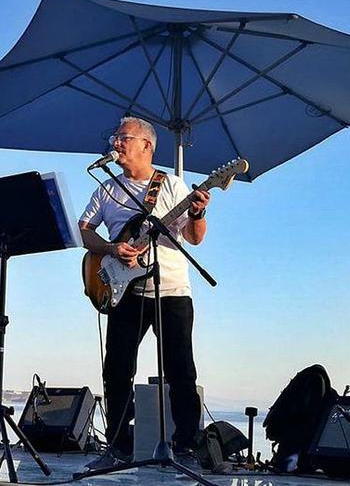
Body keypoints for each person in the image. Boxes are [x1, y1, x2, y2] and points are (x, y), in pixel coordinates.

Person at [78, 116, 210, 469]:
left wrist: (197, 213)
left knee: (181, 370)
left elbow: (195, 238)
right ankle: (118, 445)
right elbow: (84, 231)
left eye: (122, 137)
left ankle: (186, 446)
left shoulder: (172, 185)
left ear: (146, 145)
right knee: (117, 369)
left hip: (171, 289)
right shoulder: (106, 189)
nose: (115, 143)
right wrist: (110, 249)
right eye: (115, 136)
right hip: (125, 292)